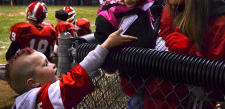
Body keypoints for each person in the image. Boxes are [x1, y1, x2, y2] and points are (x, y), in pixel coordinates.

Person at [94, 0, 163, 109]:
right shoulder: (113, 12)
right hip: (132, 69)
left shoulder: (153, 5)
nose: (125, 0)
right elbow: (102, 35)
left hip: (151, 69)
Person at [5, 29, 138, 109]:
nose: (53, 65)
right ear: (33, 83)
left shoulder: (21, 103)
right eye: (45, 64)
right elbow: (80, 73)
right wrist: (106, 46)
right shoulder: (45, 97)